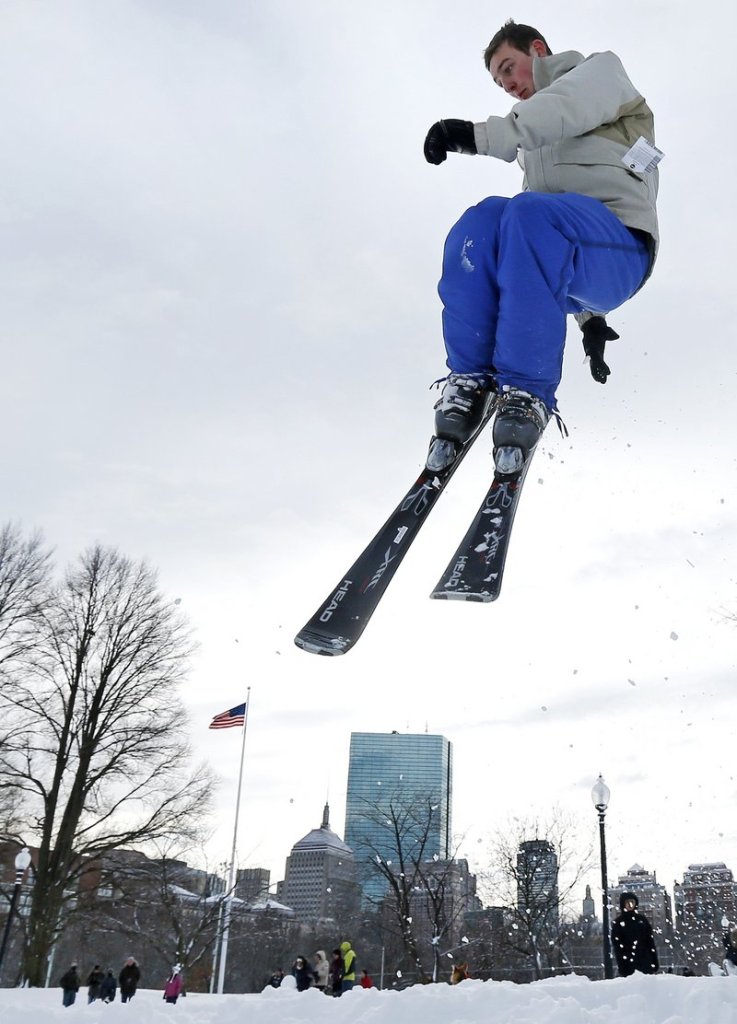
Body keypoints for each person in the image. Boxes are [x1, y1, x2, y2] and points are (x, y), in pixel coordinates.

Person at [423, 20, 660, 475]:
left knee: (527, 212)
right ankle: (471, 379)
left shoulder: (599, 74)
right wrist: (590, 321)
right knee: (484, 220)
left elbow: (565, 107)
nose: (509, 85)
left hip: (624, 245)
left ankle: (527, 392)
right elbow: (540, 252)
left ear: (538, 49)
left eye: (509, 68)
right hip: (575, 253)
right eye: (499, 81)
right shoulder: (535, 152)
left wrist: (476, 137)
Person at [611, 892, 659, 976]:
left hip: (645, 963)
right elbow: (617, 947)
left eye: (632, 902)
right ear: (623, 904)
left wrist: (654, 962)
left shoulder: (642, 920)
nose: (630, 904)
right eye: (627, 902)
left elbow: (650, 942)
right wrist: (622, 966)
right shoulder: (618, 923)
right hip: (628, 964)